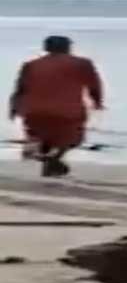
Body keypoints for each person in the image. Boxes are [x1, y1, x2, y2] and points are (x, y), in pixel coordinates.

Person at [9, 36, 104, 177]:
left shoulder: (30, 65)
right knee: (72, 140)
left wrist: (14, 108)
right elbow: (94, 85)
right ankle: (52, 158)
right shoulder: (82, 64)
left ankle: (45, 160)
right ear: (67, 47)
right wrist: (97, 102)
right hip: (67, 112)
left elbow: (20, 89)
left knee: (42, 138)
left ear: (46, 48)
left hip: (34, 112)